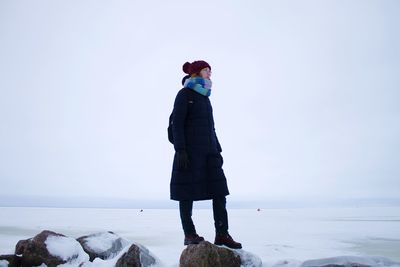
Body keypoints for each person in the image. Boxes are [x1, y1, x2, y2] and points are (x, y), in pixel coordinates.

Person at [169, 60, 242, 249]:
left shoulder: (205, 98)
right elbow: (176, 123)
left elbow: (211, 128)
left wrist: (218, 149)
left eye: (210, 70)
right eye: (206, 70)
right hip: (189, 153)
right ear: (196, 73)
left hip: (209, 154)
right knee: (186, 192)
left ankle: (222, 234)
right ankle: (189, 234)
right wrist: (181, 149)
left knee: (219, 192)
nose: (209, 73)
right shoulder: (184, 94)